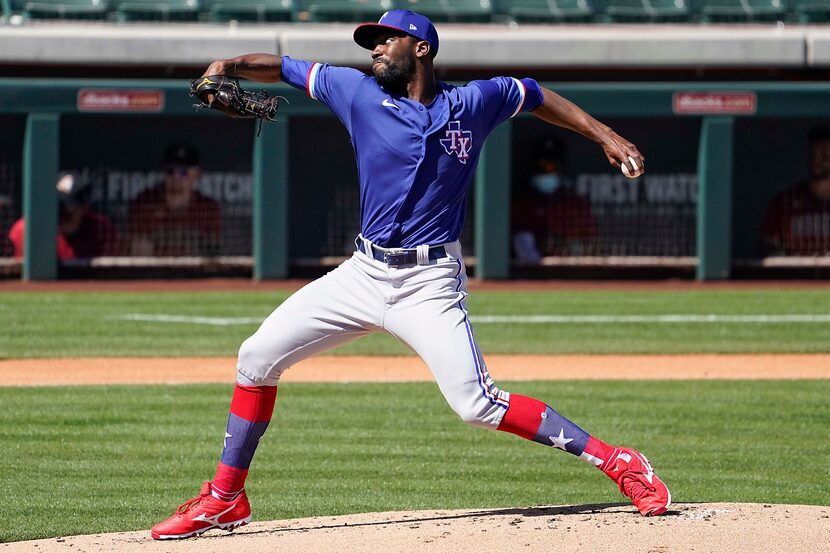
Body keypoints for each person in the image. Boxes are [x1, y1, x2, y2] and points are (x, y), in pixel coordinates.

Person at [151, 10, 669, 540]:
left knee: (475, 404)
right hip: (361, 274)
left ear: (420, 49)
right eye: (371, 42)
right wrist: (228, 64)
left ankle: (620, 461)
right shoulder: (353, 90)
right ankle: (225, 497)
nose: (374, 49)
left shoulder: (474, 101)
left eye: (385, 40)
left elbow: (534, 93)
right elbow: (283, 67)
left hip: (429, 283)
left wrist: (604, 134)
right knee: (255, 357)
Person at [511, 135, 598, 263]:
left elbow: (590, 238)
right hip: (532, 266)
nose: (547, 170)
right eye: (543, 165)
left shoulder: (572, 199)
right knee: (522, 238)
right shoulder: (524, 199)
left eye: (552, 165)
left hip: (570, 262)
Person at [127, 143, 221, 257]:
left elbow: (211, 254)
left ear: (197, 173)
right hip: (155, 271)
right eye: (170, 171)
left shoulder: (207, 207)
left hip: (195, 271)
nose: (176, 177)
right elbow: (138, 252)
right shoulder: (145, 202)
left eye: (183, 172)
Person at [8, 172, 117, 260]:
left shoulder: (101, 230)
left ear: (84, 208)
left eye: (67, 209)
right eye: (56, 207)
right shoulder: (26, 230)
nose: (59, 214)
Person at [762, 126, 830, 256]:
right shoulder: (784, 202)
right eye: (813, 155)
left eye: (824, 155)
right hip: (796, 274)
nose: (816, 161)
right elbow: (767, 245)